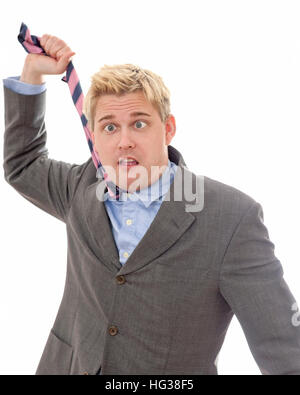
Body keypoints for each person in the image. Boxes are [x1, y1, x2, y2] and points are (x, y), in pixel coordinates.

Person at [3, 34, 300, 376]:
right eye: (110, 127)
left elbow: (284, 349)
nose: (124, 142)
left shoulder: (231, 218)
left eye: (139, 124)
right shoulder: (80, 187)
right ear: (94, 137)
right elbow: (22, 164)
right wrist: (33, 73)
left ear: (168, 129)